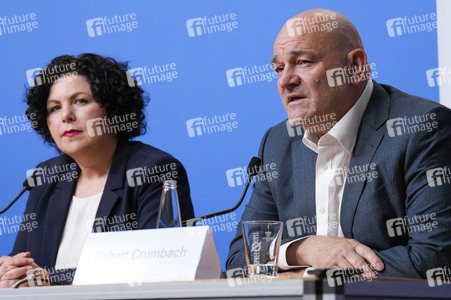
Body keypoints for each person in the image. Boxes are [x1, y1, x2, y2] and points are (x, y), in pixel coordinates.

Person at [227, 9, 451, 279]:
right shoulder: (277, 142)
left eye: (304, 62)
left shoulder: (422, 127)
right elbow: (241, 261)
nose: (286, 80)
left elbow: (432, 258)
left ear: (355, 66)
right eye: (279, 69)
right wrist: (303, 250)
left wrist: (314, 276)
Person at [0, 53, 195, 288]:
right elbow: (24, 263)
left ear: (112, 109)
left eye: (80, 101)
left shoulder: (153, 170)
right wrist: (10, 272)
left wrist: (49, 279)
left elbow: (160, 268)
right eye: (54, 108)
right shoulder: (46, 177)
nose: (66, 116)